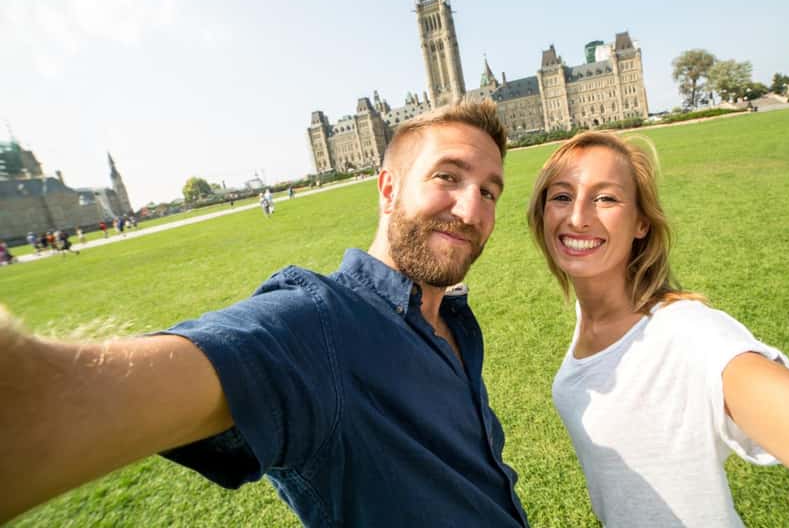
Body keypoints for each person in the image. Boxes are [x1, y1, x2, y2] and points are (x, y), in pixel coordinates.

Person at [1, 101, 528, 527]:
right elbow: (48, 404)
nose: (472, 210)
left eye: (489, 191)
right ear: (388, 189)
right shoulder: (318, 326)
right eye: (448, 178)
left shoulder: (452, 319)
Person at [526, 131, 789, 528]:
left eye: (606, 198)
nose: (578, 216)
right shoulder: (595, 317)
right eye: (562, 196)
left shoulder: (688, 332)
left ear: (640, 223)